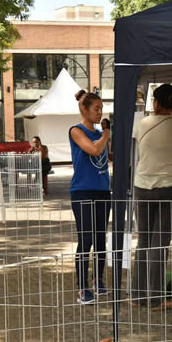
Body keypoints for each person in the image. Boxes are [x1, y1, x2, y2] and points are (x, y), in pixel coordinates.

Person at [131, 83, 172, 309]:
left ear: (156, 102)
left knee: (143, 240)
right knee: (159, 243)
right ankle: (154, 298)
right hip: (171, 186)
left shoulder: (142, 123)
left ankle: (138, 295)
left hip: (142, 186)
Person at [69, 89, 111, 305]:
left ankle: (98, 279)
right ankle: (82, 287)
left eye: (101, 109)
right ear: (83, 109)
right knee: (86, 239)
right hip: (82, 191)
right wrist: (106, 135)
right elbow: (93, 150)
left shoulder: (100, 134)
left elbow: (105, 155)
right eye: (96, 109)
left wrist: (106, 137)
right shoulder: (76, 131)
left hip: (103, 190)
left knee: (100, 238)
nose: (100, 113)